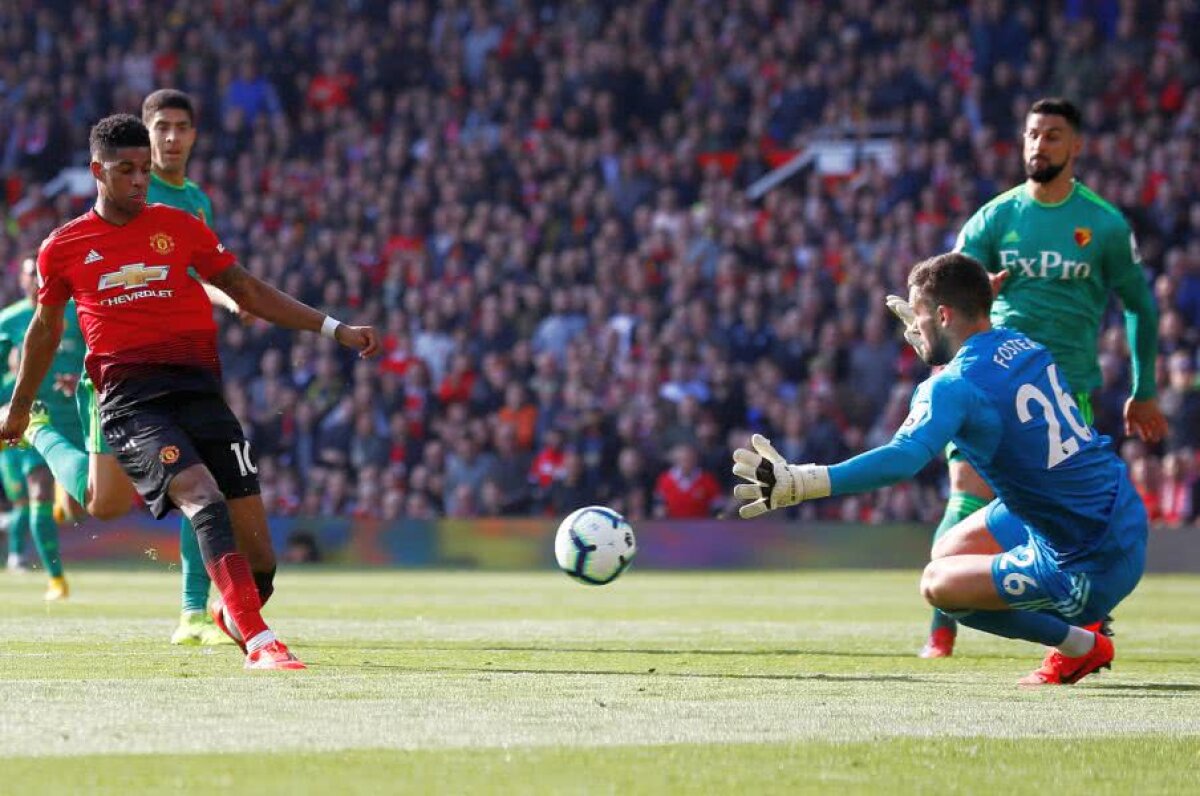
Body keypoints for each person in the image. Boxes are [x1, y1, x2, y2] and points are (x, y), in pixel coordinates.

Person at [0, 114, 379, 670]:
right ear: (97, 172)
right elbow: (44, 331)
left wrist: (334, 328)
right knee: (200, 494)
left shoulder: (180, 226)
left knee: (261, 561)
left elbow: (246, 289)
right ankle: (259, 641)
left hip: (200, 393)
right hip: (130, 401)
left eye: (144, 169)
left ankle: (233, 613)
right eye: (125, 170)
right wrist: (17, 409)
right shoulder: (64, 246)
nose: (138, 180)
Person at [735, 253, 1147, 686]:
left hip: (1089, 564)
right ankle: (1065, 607)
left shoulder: (952, 386)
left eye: (920, 315)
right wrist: (943, 341)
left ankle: (1080, 644)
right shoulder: (1023, 344)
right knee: (949, 550)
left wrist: (804, 482)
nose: (914, 327)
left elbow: (903, 458)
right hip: (1121, 508)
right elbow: (984, 364)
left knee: (938, 586)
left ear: (944, 315)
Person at [889, 98, 1165, 658]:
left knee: (1063, 512)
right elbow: (949, 291)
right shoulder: (994, 219)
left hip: (1062, 388)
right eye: (1033, 134)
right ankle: (942, 627)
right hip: (990, 380)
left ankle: (1078, 634)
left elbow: (1139, 304)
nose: (1040, 145)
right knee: (967, 490)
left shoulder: (1104, 225)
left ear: (1076, 146)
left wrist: (1145, 388)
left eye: (1053, 135)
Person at [22, 90, 246, 645]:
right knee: (106, 504)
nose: (171, 139)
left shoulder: (194, 202)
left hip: (181, 366)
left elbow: (193, 277)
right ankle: (41, 432)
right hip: (121, 375)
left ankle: (195, 612)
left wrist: (227, 295)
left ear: (194, 135)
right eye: (161, 128)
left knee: (206, 482)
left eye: (181, 128)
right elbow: (94, 293)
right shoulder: (116, 207)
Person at [0, 256, 86, 598]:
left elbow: (98, 352)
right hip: (34, 415)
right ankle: (56, 579)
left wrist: (82, 378)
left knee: (82, 504)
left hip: (77, 416)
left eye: (39, 274)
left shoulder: (77, 313)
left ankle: (64, 501)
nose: (35, 281)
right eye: (29, 275)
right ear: (21, 280)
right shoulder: (9, 320)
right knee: (36, 490)